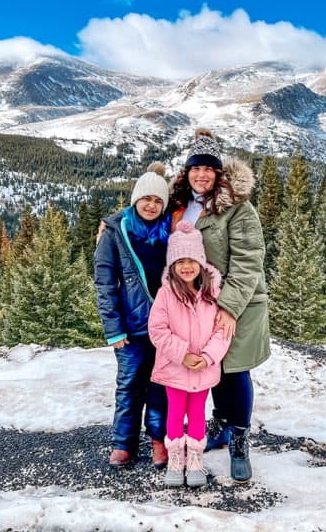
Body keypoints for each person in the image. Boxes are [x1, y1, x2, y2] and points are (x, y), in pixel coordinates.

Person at [168, 128, 271, 483]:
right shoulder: (181, 205)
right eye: (195, 168)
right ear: (187, 171)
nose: (201, 175)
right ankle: (222, 426)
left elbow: (248, 261)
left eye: (208, 170)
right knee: (209, 369)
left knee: (233, 369)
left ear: (218, 173)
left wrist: (228, 308)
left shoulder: (239, 210)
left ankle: (239, 438)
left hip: (236, 305)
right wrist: (111, 226)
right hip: (198, 306)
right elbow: (143, 217)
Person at [93, 163, 170, 469]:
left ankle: (158, 440)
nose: (151, 205)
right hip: (130, 325)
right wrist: (113, 328)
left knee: (160, 385)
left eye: (157, 201)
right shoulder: (115, 231)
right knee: (129, 384)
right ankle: (123, 443)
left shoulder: (171, 231)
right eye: (146, 199)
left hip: (166, 326)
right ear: (135, 199)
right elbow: (105, 282)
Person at [148, 220, 231, 488]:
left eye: (191, 260)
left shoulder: (212, 293)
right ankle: (176, 459)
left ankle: (194, 459)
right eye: (180, 260)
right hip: (175, 368)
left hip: (203, 369)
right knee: (174, 413)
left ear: (201, 262)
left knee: (196, 413)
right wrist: (182, 354)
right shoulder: (166, 294)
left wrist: (207, 358)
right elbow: (157, 330)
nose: (186, 266)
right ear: (172, 265)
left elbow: (222, 332)